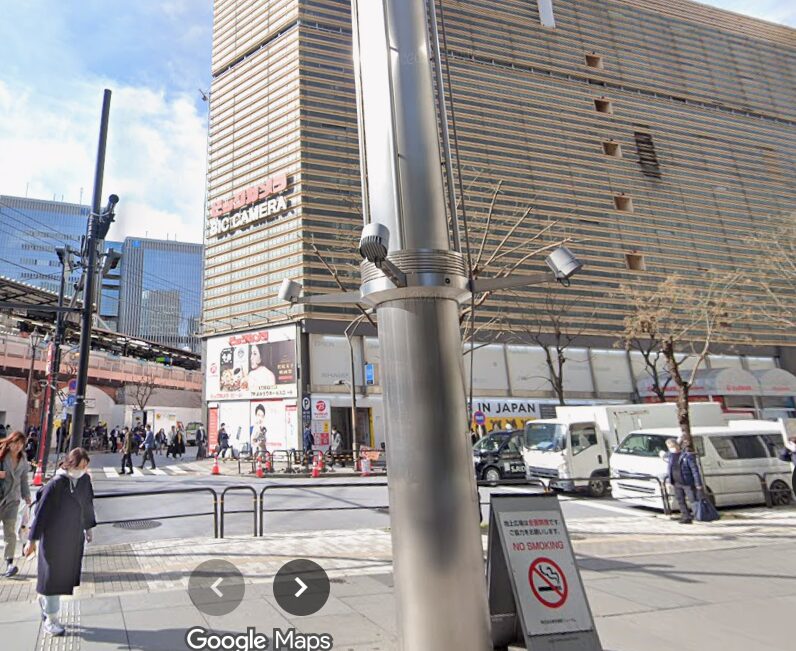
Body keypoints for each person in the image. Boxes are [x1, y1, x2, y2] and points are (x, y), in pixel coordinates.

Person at [25, 448, 96, 636]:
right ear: (70, 464)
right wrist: (32, 541)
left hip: (72, 538)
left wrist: (88, 528)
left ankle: (46, 604)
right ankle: (51, 619)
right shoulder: (55, 484)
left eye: (85, 467)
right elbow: (41, 514)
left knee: (61, 578)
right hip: (53, 539)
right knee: (52, 580)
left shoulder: (84, 480)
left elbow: (87, 505)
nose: (82, 470)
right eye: (80, 467)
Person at [0, 431, 32, 578]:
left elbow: (24, 478)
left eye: (21, 444)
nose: (18, 446)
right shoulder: (2, 455)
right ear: (10, 442)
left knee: (10, 532)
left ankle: (9, 563)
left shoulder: (23, 458)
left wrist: (26, 495)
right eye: (16, 443)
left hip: (12, 500)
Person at [665, 438, 703, 524]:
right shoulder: (671, 456)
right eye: (669, 447)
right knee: (680, 500)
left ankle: (698, 515)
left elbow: (694, 470)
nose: (671, 448)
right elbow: (669, 467)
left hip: (687, 482)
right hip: (676, 482)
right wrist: (670, 480)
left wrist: (698, 483)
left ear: (677, 445)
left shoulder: (686, 456)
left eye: (672, 446)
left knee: (693, 499)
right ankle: (686, 517)